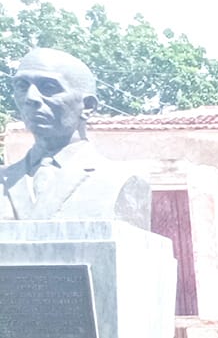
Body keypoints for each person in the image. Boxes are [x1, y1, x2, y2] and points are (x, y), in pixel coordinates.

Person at [2, 48, 151, 225]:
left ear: (87, 106)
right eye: (22, 86)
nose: (30, 97)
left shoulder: (121, 180)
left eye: (48, 87)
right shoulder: (5, 180)